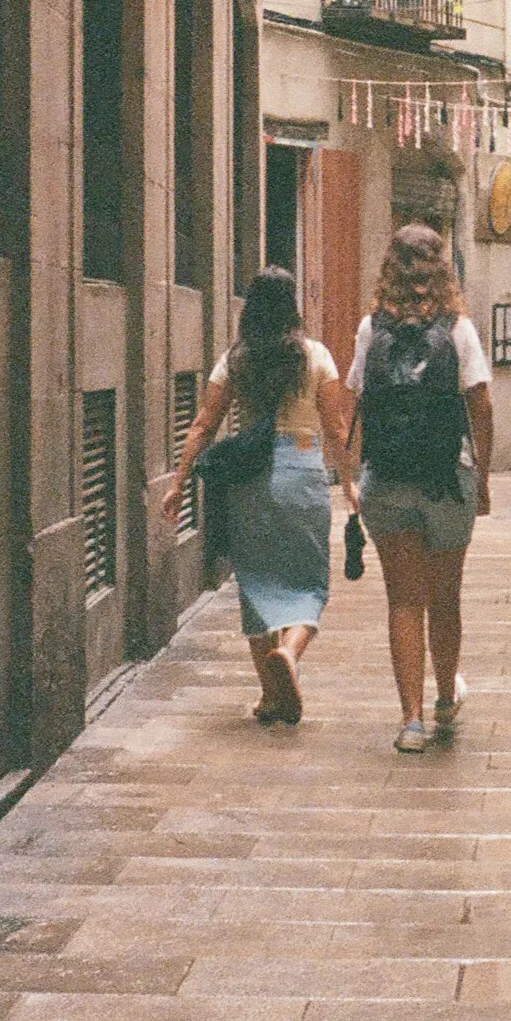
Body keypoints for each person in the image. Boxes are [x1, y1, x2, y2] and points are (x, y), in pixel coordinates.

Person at [159, 269, 353, 727]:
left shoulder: (235, 360)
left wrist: (178, 483)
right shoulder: (316, 356)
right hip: (303, 472)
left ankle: (271, 696)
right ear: (293, 307)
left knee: (257, 581)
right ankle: (288, 652)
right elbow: (336, 427)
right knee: (309, 581)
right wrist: (349, 483)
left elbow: (204, 424)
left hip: (249, 479)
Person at [346, 224, 497, 753]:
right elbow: (479, 403)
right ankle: (444, 700)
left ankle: (410, 721)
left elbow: (357, 402)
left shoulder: (371, 329)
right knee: (445, 597)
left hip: (386, 481)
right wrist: (479, 477)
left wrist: (357, 473)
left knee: (403, 601)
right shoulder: (459, 330)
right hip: (446, 479)